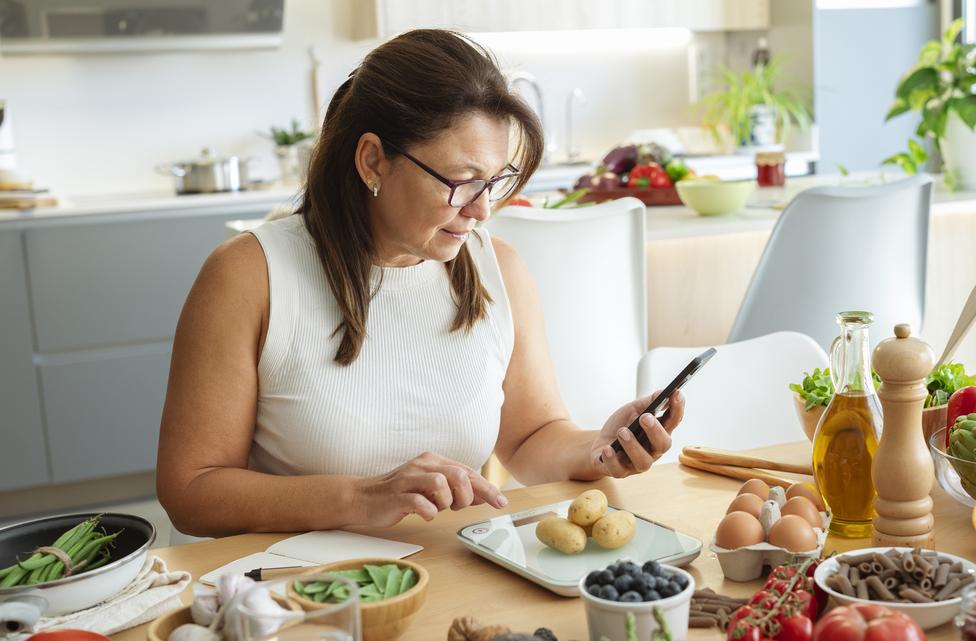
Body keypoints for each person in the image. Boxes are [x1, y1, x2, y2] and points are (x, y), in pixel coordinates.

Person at [156, 29, 685, 538]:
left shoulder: (499, 270)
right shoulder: (248, 276)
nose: (481, 209)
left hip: (451, 569)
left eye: (494, 181)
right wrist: (362, 498)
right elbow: (191, 492)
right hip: (301, 592)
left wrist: (597, 449)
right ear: (372, 161)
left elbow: (529, 439)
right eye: (461, 181)